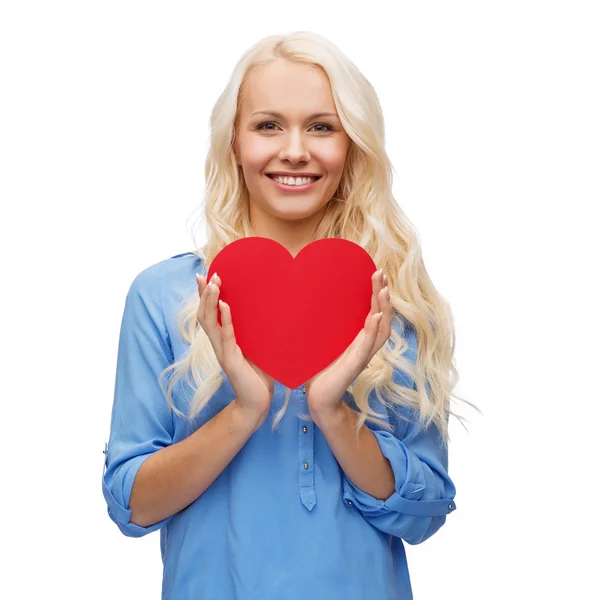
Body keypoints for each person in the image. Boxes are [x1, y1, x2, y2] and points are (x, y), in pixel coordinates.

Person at [102, 30, 466, 600]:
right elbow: (131, 505)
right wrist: (248, 409)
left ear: (352, 147)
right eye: (268, 125)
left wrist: (331, 411)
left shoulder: (391, 301)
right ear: (233, 144)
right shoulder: (163, 295)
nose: (295, 150)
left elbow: (425, 514)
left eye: (321, 126)